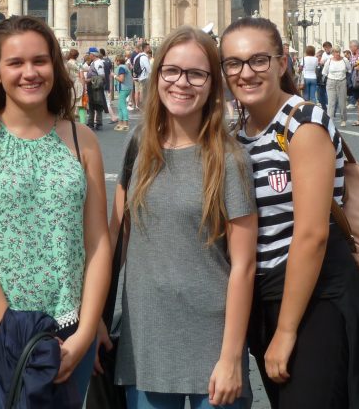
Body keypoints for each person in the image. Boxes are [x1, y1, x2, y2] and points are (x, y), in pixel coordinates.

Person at [0, 15, 110, 408]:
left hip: (67, 327)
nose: (29, 72)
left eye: (40, 61)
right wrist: (14, 333)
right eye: (16, 63)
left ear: (54, 66)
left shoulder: (82, 139)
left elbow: (98, 243)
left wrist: (86, 331)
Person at [220, 17, 359, 409]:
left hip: (312, 300)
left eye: (259, 60)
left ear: (282, 63)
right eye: (234, 63)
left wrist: (287, 330)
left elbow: (312, 234)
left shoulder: (303, 124)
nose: (246, 72)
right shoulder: (240, 132)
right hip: (267, 298)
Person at [109, 26, 256, 408]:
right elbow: (116, 243)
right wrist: (95, 324)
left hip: (214, 343)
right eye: (172, 71)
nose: (182, 83)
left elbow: (243, 265)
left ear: (212, 85)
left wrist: (231, 358)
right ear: (157, 74)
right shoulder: (137, 145)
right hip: (146, 341)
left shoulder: (230, 160)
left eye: (196, 74)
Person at [322, 47, 349, 126]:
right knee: (331, 103)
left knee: (342, 102)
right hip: (331, 82)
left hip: (342, 81)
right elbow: (324, 72)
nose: (337, 54)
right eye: (335, 52)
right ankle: (330, 121)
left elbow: (349, 69)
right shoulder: (329, 61)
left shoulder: (345, 60)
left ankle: (343, 119)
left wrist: (343, 74)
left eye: (338, 52)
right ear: (332, 53)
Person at [85, 49, 108, 131]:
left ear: (93, 54)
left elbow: (102, 76)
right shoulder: (93, 62)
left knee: (98, 105)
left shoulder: (98, 63)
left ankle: (99, 123)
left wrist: (90, 79)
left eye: (89, 54)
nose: (88, 55)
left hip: (96, 87)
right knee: (91, 105)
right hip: (92, 87)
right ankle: (90, 122)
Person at [113, 54, 133, 132]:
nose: (115, 62)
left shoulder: (121, 68)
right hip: (126, 88)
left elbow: (121, 79)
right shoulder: (125, 67)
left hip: (123, 88)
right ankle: (120, 123)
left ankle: (125, 124)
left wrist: (114, 76)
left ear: (118, 61)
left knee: (123, 106)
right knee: (120, 106)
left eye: (116, 60)